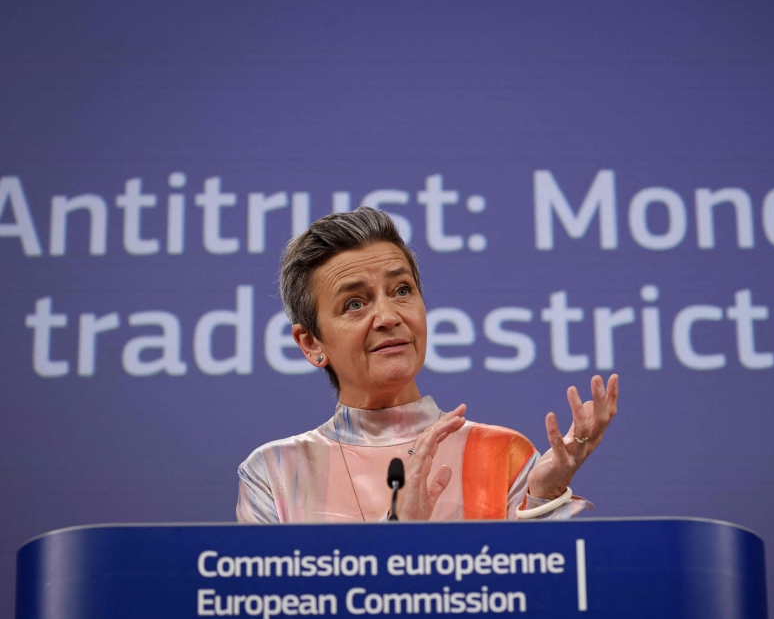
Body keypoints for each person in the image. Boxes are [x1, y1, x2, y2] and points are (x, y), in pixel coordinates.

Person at [236, 207, 619, 523]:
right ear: (311, 342)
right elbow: (278, 611)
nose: (388, 316)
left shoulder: (503, 454)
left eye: (402, 290)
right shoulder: (276, 473)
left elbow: (538, 602)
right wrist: (401, 538)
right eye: (355, 303)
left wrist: (543, 497)